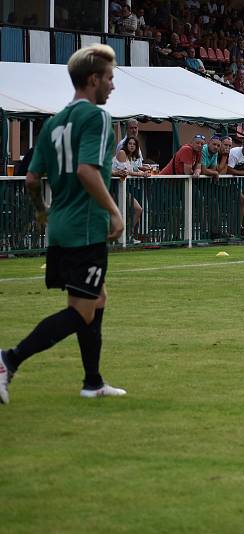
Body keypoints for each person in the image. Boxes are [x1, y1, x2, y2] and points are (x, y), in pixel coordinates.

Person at [0, 45, 127, 404]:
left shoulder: (53, 123)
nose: (112, 87)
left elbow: (31, 179)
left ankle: (93, 382)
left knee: (96, 299)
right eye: (109, 79)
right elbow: (88, 170)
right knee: (82, 310)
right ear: (93, 80)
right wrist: (115, 212)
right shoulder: (97, 118)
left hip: (60, 227)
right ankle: (8, 359)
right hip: (86, 229)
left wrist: (42, 213)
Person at [113, 136, 147, 242]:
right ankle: (125, 236)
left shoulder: (131, 157)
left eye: (134, 144)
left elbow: (132, 168)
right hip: (114, 186)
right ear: (126, 145)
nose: (132, 146)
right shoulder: (122, 153)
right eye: (130, 144)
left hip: (123, 186)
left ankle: (127, 235)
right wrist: (140, 174)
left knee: (134, 210)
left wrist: (143, 168)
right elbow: (126, 171)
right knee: (137, 209)